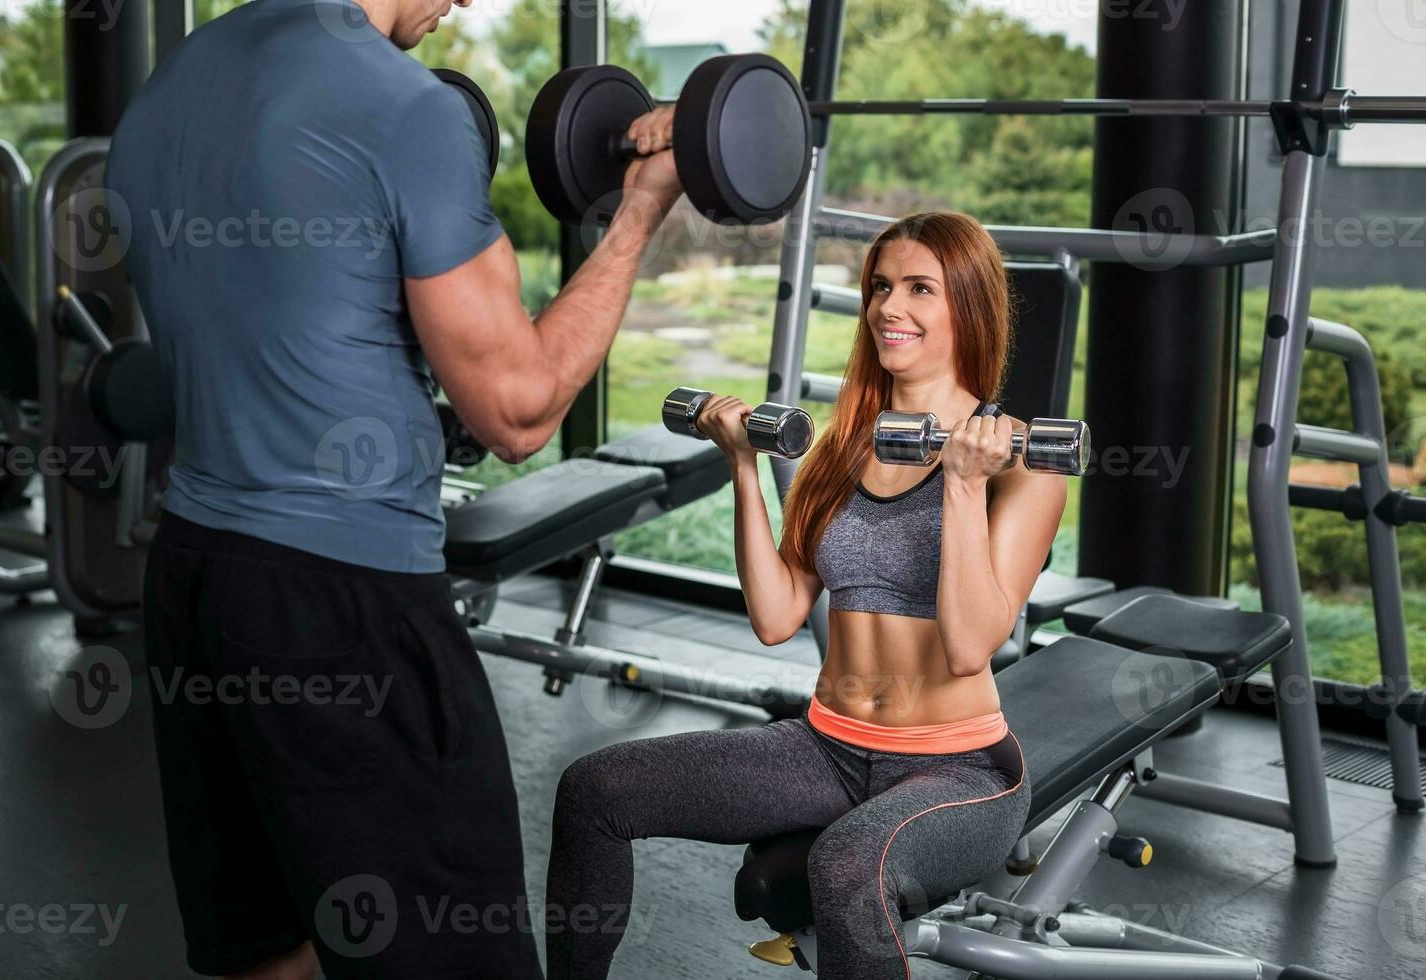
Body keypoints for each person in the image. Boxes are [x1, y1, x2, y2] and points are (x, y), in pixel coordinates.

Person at [105, 0, 682, 974]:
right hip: (346, 602)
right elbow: (520, 409)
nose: (461, 2)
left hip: (195, 577)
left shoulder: (172, 87)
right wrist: (640, 211)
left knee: (261, 945)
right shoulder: (408, 110)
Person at [545, 211, 1066, 979]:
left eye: (920, 288)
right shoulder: (843, 448)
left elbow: (968, 646)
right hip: (826, 748)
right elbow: (777, 614)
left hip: (960, 771)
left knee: (848, 865)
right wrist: (743, 467)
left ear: (969, 304)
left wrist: (960, 483)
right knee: (595, 790)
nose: (890, 308)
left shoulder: (1023, 465)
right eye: (881, 286)